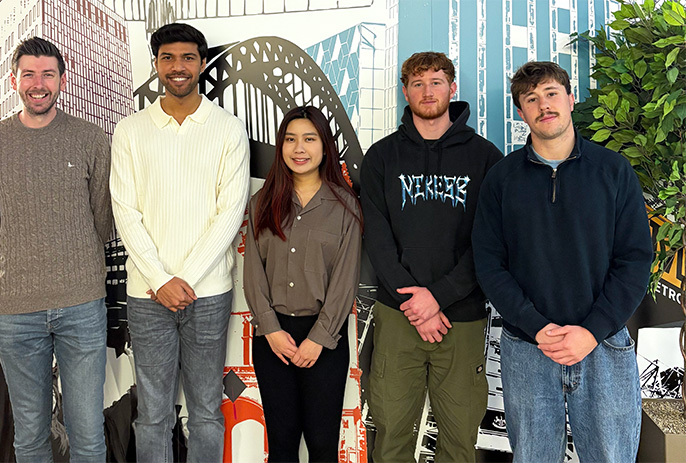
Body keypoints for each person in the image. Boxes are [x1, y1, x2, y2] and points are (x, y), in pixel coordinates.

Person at [472, 61, 652, 462]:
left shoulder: (614, 171)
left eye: (551, 93)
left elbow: (636, 260)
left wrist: (591, 331)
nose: (543, 105)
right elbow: (489, 263)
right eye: (531, 99)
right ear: (521, 112)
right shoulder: (501, 179)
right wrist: (537, 327)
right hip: (528, 346)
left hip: (602, 345)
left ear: (571, 99)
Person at [110, 23, 250, 463]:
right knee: (152, 413)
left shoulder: (228, 129)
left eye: (188, 58)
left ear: (202, 63)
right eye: (168, 58)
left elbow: (230, 213)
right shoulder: (131, 130)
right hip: (147, 293)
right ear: (156, 65)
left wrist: (182, 279)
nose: (178, 67)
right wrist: (159, 278)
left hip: (206, 293)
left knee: (206, 410)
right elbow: (124, 211)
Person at [0, 37, 112, 462]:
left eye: (48, 74)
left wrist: (75, 262)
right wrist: (17, 266)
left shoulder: (90, 139)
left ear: (63, 81)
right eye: (28, 74)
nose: (38, 83)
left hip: (82, 305)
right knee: (29, 438)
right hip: (15, 312)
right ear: (13, 80)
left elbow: (101, 219)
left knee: (88, 436)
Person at [360, 51, 503, 462]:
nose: (428, 91)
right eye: (418, 83)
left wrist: (437, 297)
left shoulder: (485, 157)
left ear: (452, 88)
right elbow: (378, 239)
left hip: (462, 316)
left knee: (459, 438)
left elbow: (489, 243)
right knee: (391, 432)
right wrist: (415, 302)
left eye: (437, 82)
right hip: (398, 315)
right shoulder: (382, 157)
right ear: (405, 91)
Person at [244, 106, 363, 462]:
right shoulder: (262, 202)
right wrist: (270, 330)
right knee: (281, 446)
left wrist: (318, 338)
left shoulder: (345, 208)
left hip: (324, 342)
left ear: (325, 147)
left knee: (323, 446)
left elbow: (345, 281)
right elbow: (252, 274)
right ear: (280, 147)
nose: (300, 148)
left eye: (309, 139)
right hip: (273, 338)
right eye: (291, 139)